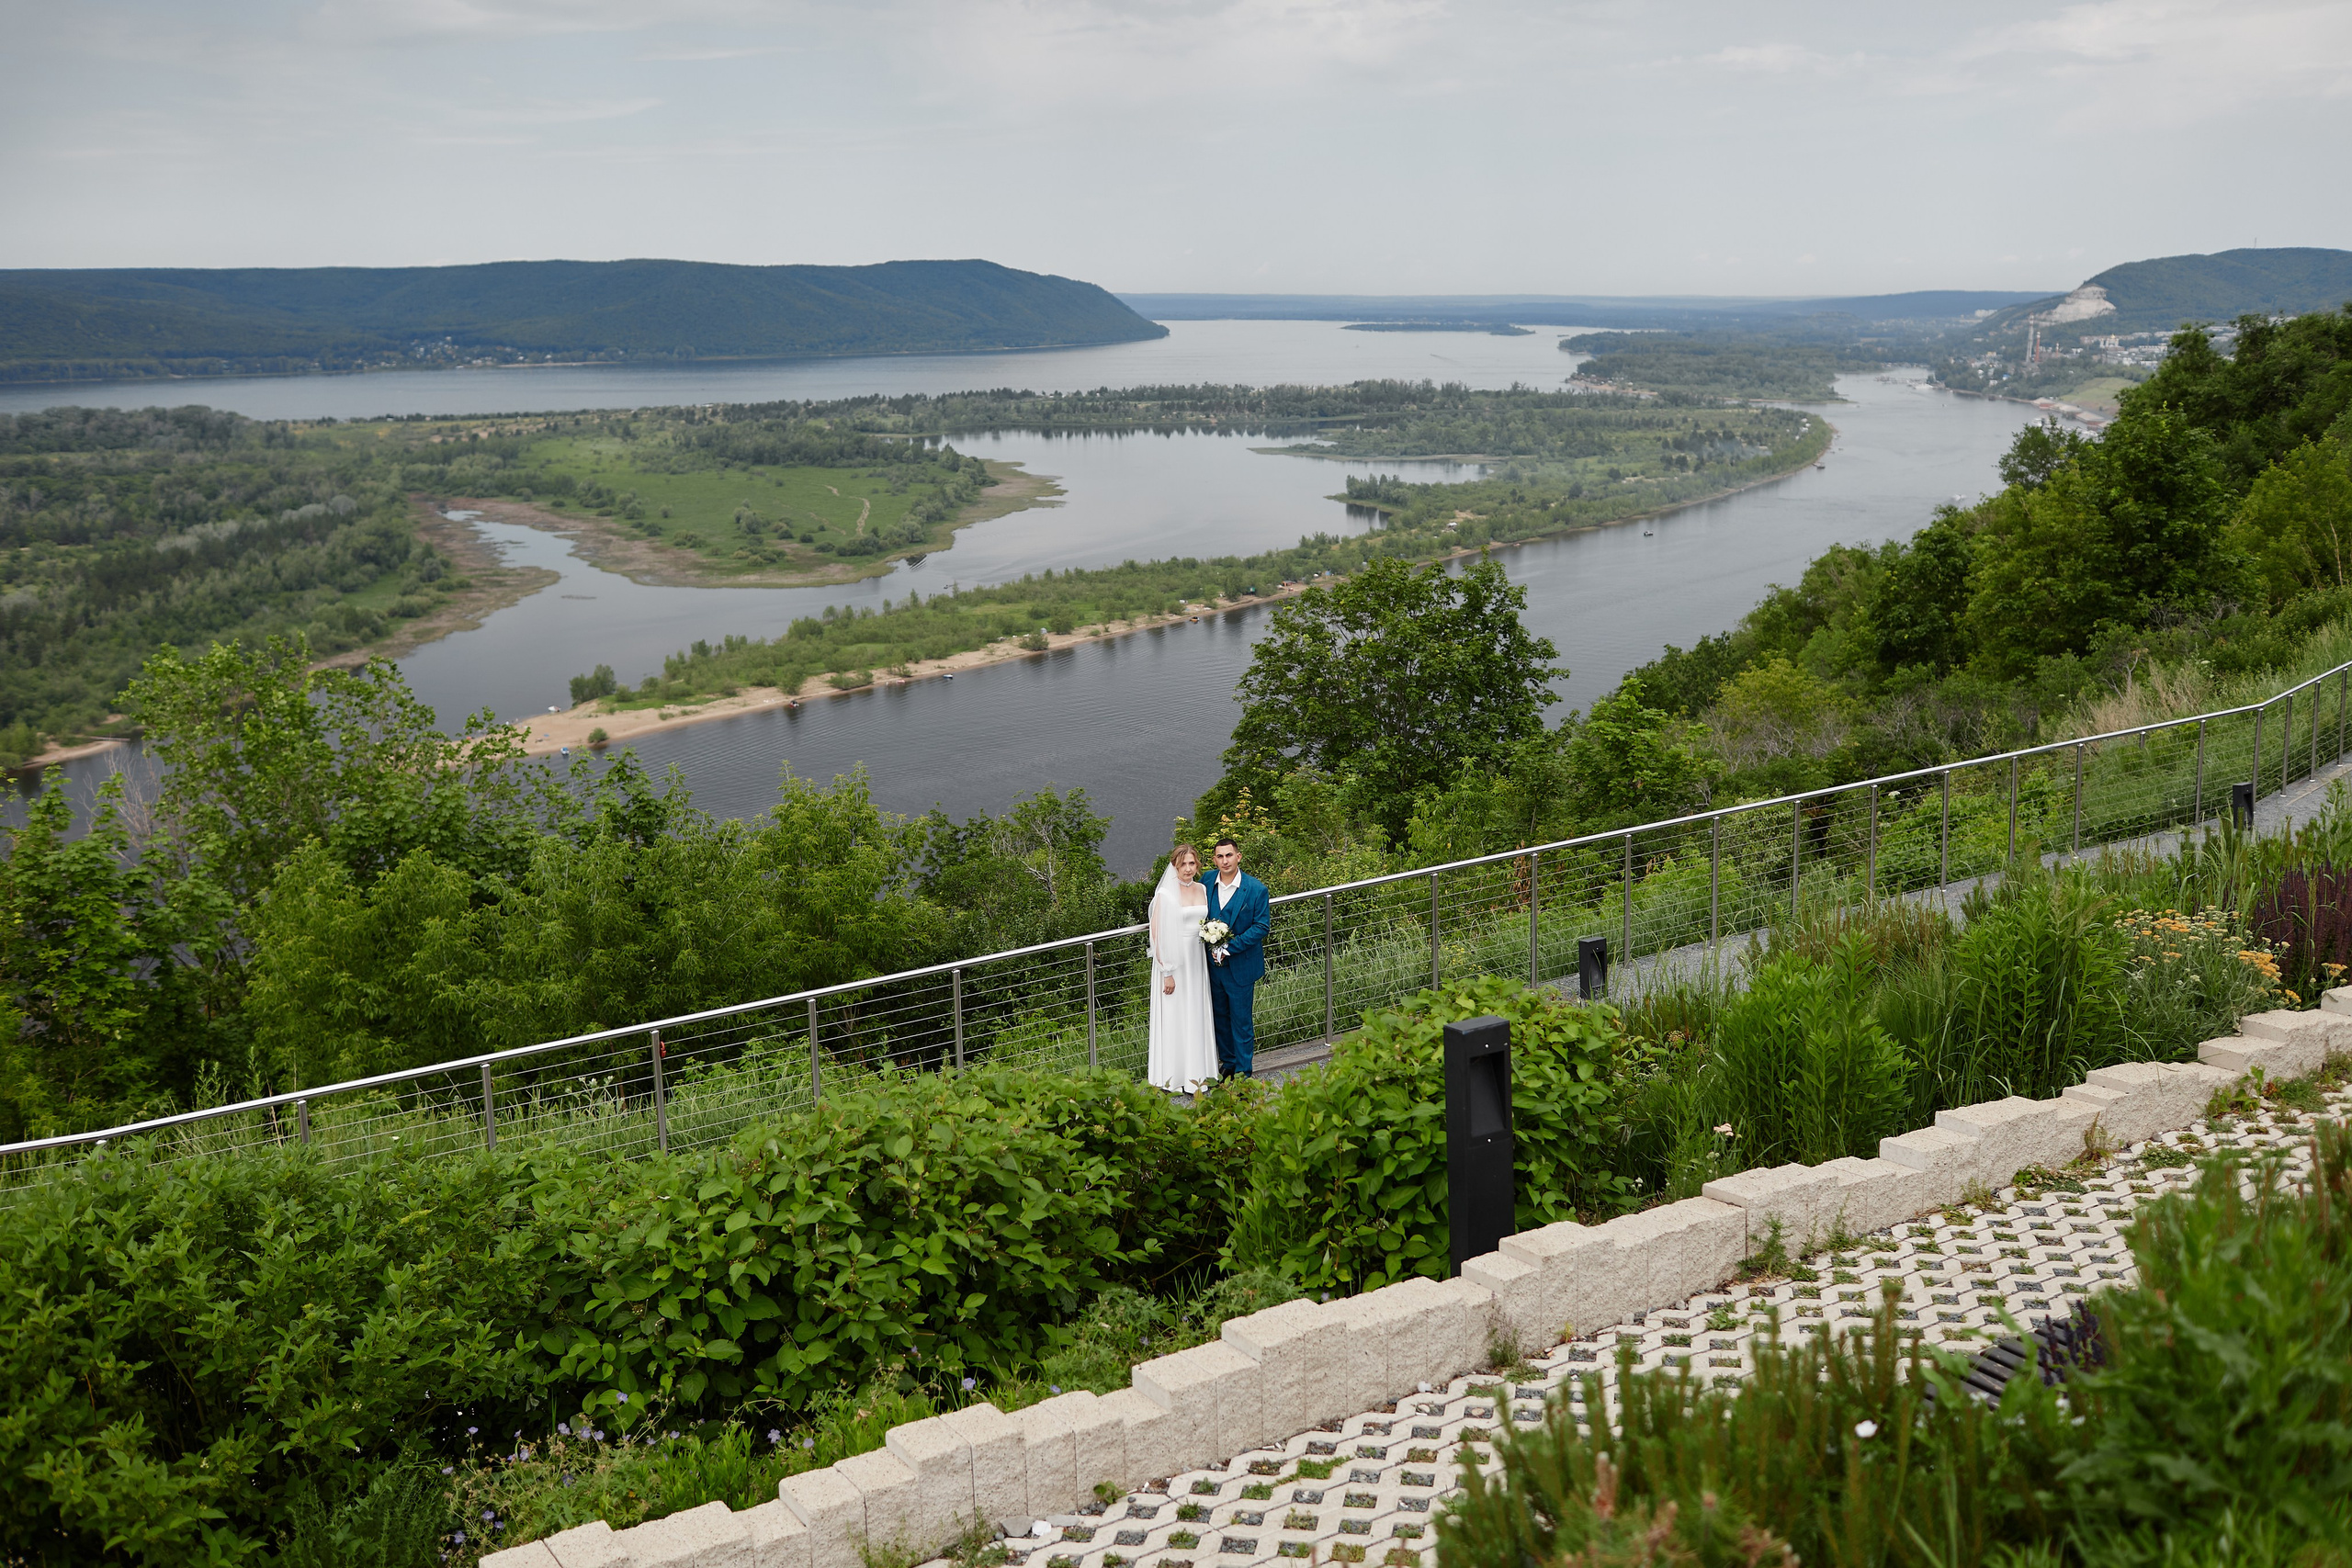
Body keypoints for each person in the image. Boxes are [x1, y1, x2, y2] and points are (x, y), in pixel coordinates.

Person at [1146, 843, 1218, 1092]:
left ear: (1198, 864)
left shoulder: (1203, 888)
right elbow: (1157, 936)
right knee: (1176, 1014)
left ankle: (1199, 1074)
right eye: (1183, 864)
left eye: (1192, 863)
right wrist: (1167, 972)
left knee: (1195, 1012)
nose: (1188, 869)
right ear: (1175, 865)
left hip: (1197, 960)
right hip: (1174, 963)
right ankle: (1173, 1076)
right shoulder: (1165, 894)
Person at [1201, 837, 1271, 1077]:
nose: (1225, 861)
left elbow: (1262, 926)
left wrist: (1229, 947)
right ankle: (1228, 1063)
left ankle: (1243, 1072)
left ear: (1238, 857)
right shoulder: (1207, 881)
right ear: (1214, 859)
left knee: (1241, 1022)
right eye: (1219, 856)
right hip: (1212, 968)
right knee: (1220, 1017)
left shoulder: (1256, 889)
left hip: (1240, 967)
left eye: (1229, 855)